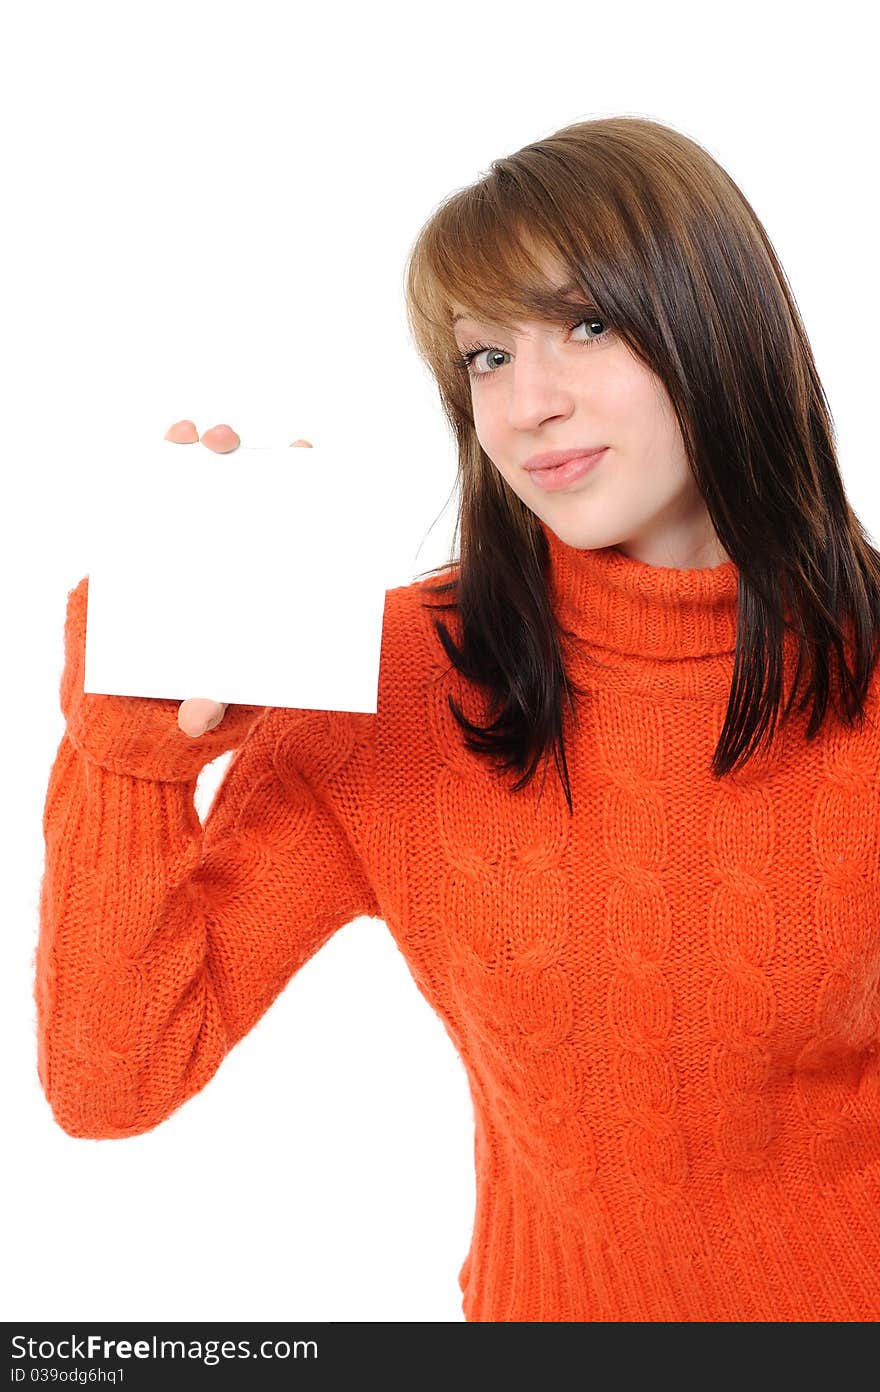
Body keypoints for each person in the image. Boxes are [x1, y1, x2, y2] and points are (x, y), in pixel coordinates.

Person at [34, 115, 880, 1322]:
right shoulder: (399, 677)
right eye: (485, 356)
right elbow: (114, 1082)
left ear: (720, 327)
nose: (528, 403)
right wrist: (127, 755)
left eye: (588, 323)